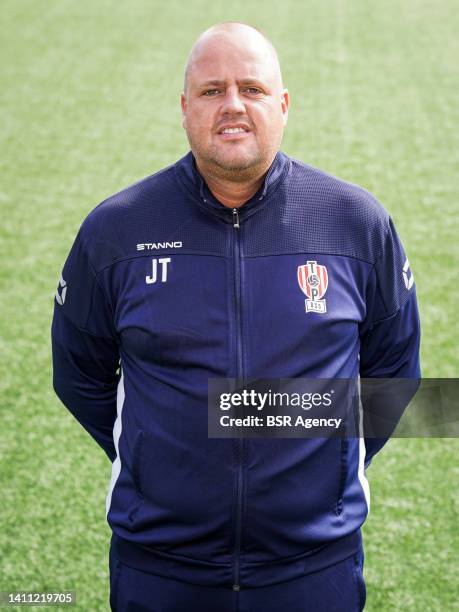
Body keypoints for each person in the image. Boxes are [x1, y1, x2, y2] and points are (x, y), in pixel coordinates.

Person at [51, 22, 421, 611]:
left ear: (283, 104)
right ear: (183, 108)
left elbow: (394, 377)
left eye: (251, 88)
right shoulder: (116, 230)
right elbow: (78, 376)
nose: (232, 106)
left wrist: (320, 461)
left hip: (314, 568)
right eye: (210, 90)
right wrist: (155, 456)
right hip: (160, 570)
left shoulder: (355, 223)